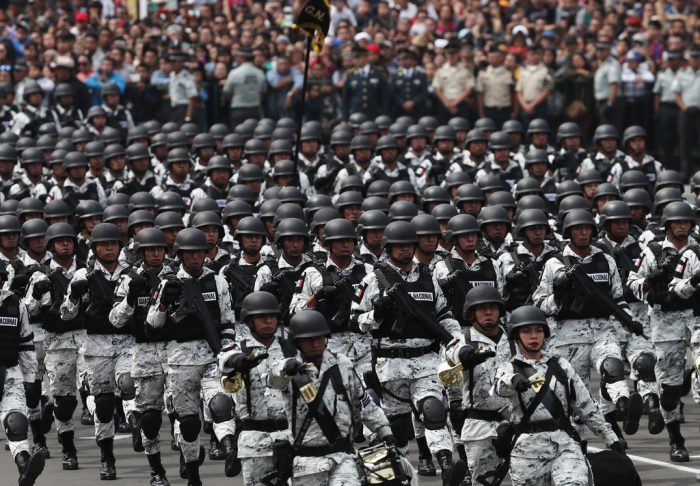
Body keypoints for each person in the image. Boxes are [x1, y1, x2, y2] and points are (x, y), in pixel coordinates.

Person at [351, 220, 467, 486]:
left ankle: (447, 466)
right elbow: (354, 321)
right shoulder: (373, 279)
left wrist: (455, 342)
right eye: (399, 246)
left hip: (426, 358)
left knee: (434, 411)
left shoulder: (428, 277)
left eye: (409, 245)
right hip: (390, 363)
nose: (405, 250)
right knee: (398, 429)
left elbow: (443, 314)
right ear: (389, 248)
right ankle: (399, 478)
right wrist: (376, 313)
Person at [533, 209, 645, 448]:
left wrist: (629, 320)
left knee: (612, 366)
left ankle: (623, 405)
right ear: (569, 233)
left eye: (587, 229)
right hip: (567, 337)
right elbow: (539, 304)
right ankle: (579, 447)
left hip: (602, 328)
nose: (583, 233)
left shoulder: (606, 260)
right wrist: (559, 295)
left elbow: (618, 298)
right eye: (578, 229)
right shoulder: (554, 264)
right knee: (576, 397)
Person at [494, 305, 624, 486]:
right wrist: (514, 380)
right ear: (516, 335)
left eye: (538, 330)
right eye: (526, 331)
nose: (533, 336)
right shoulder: (509, 367)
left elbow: (585, 405)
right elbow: (500, 387)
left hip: (564, 444)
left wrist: (611, 438)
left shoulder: (561, 365)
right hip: (527, 450)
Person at [146, 228, 236, 486]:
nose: (196, 258)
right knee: (188, 423)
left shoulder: (218, 281)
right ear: (181, 255)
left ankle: (230, 448)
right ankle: (194, 475)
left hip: (212, 356)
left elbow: (228, 320)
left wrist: (227, 349)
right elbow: (153, 323)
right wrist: (164, 301)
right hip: (180, 360)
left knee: (220, 404)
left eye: (200, 253)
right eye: (190, 254)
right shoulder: (168, 282)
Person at [267, 309, 397, 486]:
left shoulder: (342, 364)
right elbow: (273, 379)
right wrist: (285, 367)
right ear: (297, 343)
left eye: (320, 338)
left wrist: (384, 431)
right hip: (307, 462)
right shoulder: (289, 372)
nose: (316, 343)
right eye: (309, 339)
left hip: (342, 457)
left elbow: (363, 401)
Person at [60, 223, 133, 480]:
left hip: (127, 343)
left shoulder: (131, 274)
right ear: (95, 248)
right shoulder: (83, 275)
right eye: (104, 244)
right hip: (95, 345)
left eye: (114, 243)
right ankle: (107, 457)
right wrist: (74, 297)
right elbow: (66, 314)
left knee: (128, 384)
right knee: (102, 405)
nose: (110, 248)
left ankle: (136, 422)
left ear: (120, 246)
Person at [627, 201, 698, 461]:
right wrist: (648, 281)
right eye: (677, 222)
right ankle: (675, 440)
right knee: (669, 391)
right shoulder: (652, 251)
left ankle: (693, 377)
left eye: (687, 222)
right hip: (665, 321)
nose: (683, 226)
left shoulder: (698, 249)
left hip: (696, 316)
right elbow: (631, 283)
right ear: (668, 225)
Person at [108, 228, 175, 485]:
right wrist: (131, 300)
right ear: (141, 252)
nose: (156, 253)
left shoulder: (176, 275)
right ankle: (156, 470)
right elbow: (115, 320)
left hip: (175, 349)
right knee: (150, 417)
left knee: (182, 412)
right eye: (150, 249)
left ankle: (187, 460)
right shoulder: (128, 279)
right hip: (143, 350)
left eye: (160, 249)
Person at [217, 291, 288, 484]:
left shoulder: (291, 347)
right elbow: (224, 360)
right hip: (255, 438)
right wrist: (241, 360)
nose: (268, 321)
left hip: (290, 434)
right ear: (249, 321)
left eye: (272, 316)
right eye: (262, 317)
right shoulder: (238, 347)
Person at [0, 259, 46, 486]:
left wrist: (30, 378)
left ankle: (25, 466)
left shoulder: (14, 304)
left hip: (9, 373)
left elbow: (27, 343)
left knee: (17, 421)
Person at [223, 49, 266, 128]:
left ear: (242, 58)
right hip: (255, 108)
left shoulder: (234, 73)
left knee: (238, 135)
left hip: (238, 108)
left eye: (237, 57)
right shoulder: (260, 73)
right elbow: (263, 93)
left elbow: (227, 92)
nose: (236, 59)